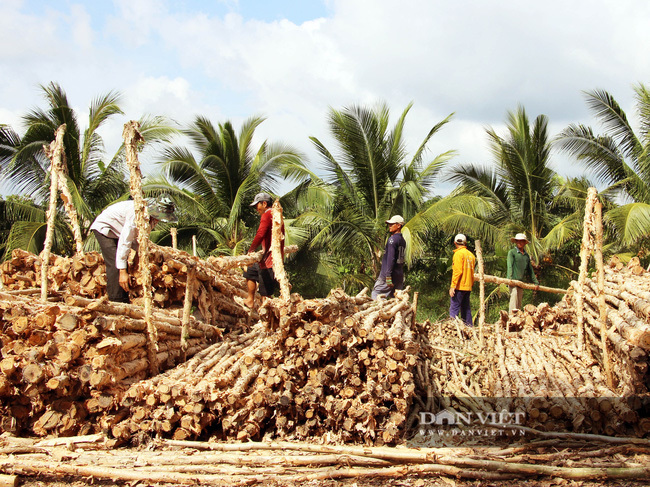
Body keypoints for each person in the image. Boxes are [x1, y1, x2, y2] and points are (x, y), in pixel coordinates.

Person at [90, 196, 177, 303]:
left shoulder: (151, 218)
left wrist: (138, 258)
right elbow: (125, 240)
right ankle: (116, 300)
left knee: (123, 264)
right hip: (105, 227)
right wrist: (122, 271)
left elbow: (141, 239)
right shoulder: (137, 214)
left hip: (119, 230)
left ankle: (124, 297)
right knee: (115, 264)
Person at [243, 192, 283, 308]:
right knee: (249, 270)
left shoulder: (268, 214)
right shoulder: (274, 214)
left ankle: (267, 318)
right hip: (265, 256)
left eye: (257, 205)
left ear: (264, 203)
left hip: (270, 260)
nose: (257, 209)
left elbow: (260, 234)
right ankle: (250, 299)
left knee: (265, 293)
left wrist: (251, 250)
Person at [371, 215, 407, 300]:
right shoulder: (402, 240)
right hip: (398, 275)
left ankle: (378, 312)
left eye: (392, 224)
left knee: (376, 294)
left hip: (388, 275)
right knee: (395, 299)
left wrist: (388, 275)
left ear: (398, 226)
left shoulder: (392, 240)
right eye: (389, 224)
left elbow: (391, 258)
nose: (389, 226)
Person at [507, 232, 539, 313]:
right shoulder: (512, 252)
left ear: (525, 243)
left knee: (519, 302)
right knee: (514, 299)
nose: (519, 243)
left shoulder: (526, 256)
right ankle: (511, 318)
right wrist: (509, 279)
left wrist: (535, 282)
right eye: (517, 241)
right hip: (513, 281)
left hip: (521, 282)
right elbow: (509, 266)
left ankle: (517, 320)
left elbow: (530, 270)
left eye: (521, 241)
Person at [449, 233, 476, 326]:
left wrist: (453, 286)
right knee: (466, 309)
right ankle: (469, 328)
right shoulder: (471, 255)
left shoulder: (458, 254)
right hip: (468, 286)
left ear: (455, 243)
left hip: (459, 286)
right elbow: (472, 273)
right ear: (465, 243)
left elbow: (457, 272)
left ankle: (453, 327)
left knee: (454, 308)